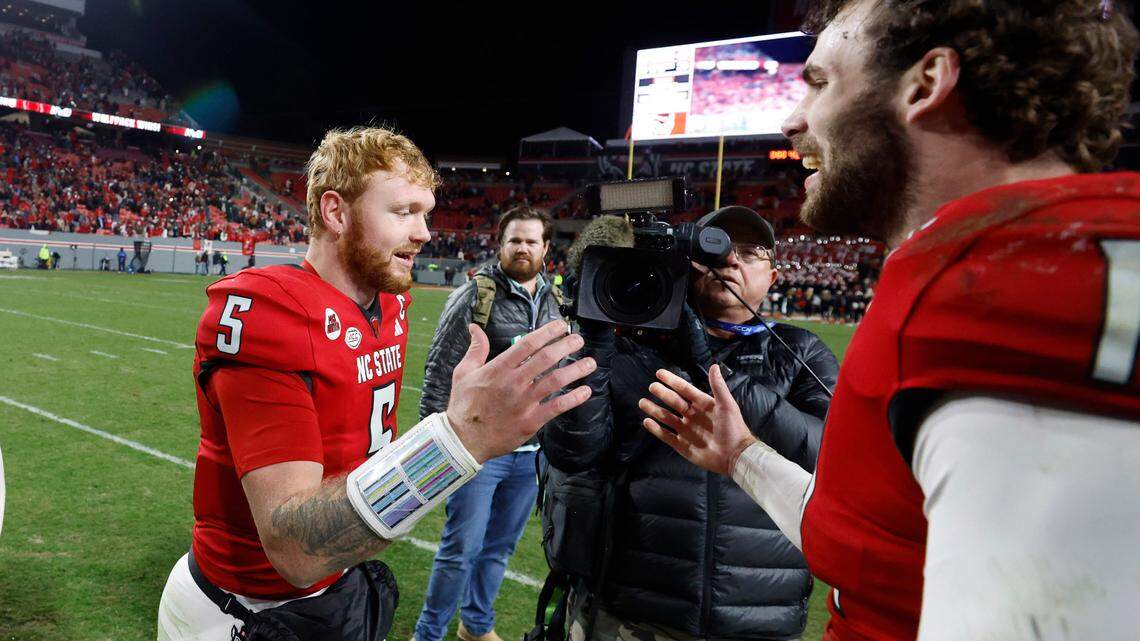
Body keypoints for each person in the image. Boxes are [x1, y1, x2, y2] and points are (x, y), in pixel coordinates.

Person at [638, 2, 1140, 640]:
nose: (793, 118)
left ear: (926, 84)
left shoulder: (1007, 285)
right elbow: (884, 550)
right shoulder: (980, 261)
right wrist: (742, 456)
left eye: (820, 83)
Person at [156, 127, 596, 641]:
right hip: (244, 611)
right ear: (336, 212)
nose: (425, 232)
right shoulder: (271, 313)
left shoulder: (389, 303)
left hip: (340, 586)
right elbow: (296, 550)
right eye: (403, 211)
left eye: (425, 213)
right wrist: (459, 439)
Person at [542, 207, 838, 641]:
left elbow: (830, 455)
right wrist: (595, 340)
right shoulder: (636, 345)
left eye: (751, 252)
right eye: (716, 248)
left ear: (772, 278)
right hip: (631, 610)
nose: (731, 259)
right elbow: (574, 451)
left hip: (758, 618)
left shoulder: (801, 353)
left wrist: (710, 370)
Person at [414, 206, 564, 641]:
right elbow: (440, 370)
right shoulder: (476, 295)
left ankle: (475, 625)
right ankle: (429, 633)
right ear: (501, 244)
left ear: (545, 248)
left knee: (499, 549)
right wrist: (436, 445)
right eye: (514, 240)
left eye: (531, 241)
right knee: (460, 550)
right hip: (478, 450)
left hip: (531, 453)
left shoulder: (555, 301)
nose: (522, 248)